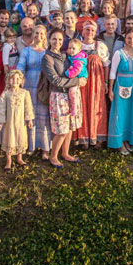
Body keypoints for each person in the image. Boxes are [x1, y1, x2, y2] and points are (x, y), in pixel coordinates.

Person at [42, 29, 86, 167]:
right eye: (54, 39)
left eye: (60, 40)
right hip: (58, 95)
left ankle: (65, 153)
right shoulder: (47, 58)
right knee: (62, 130)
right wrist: (77, 82)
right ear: (49, 40)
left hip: (71, 94)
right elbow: (55, 80)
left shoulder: (65, 54)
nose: (57, 42)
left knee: (71, 126)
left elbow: (79, 64)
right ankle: (53, 156)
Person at [17, 24, 50, 157]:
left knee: (44, 115)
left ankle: (45, 147)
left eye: (42, 33)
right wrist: (19, 80)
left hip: (43, 84)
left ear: (45, 35)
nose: (39, 36)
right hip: (29, 83)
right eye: (36, 33)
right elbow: (20, 67)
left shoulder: (48, 51)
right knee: (30, 114)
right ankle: (31, 145)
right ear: (33, 34)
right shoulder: (26, 51)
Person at [75, 20, 109, 148]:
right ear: (82, 31)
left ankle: (97, 137)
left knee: (96, 107)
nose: (89, 32)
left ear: (96, 32)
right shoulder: (78, 45)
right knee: (82, 106)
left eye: (92, 30)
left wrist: (105, 82)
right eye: (87, 30)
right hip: (82, 82)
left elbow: (106, 65)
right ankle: (83, 138)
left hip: (96, 81)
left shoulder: (99, 46)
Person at [108, 28, 133, 155]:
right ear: (125, 39)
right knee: (119, 114)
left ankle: (126, 140)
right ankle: (118, 142)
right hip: (120, 85)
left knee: (130, 114)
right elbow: (112, 72)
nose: (131, 41)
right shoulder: (119, 53)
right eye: (129, 38)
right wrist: (110, 89)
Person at [0, 70, 34, 169]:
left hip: (21, 122)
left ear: (21, 80)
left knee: (20, 137)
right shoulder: (6, 94)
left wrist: (29, 120)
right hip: (9, 123)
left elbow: (28, 107)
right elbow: (1, 108)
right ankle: (8, 161)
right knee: (9, 138)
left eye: (18, 79)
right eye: (12, 78)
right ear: (8, 80)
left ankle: (19, 158)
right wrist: (1, 122)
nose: (15, 81)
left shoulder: (25, 93)